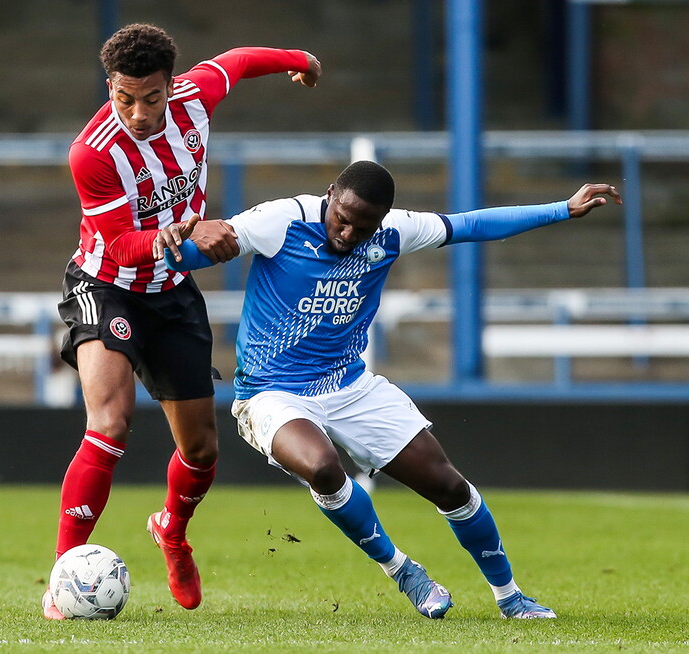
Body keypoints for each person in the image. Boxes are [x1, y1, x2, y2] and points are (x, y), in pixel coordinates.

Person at [159, 160, 621, 619]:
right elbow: (198, 251)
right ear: (330, 196)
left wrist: (562, 208)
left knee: (450, 486)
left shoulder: (394, 231)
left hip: (351, 385)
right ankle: (403, 571)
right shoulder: (281, 220)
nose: (348, 235)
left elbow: (471, 224)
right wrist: (174, 242)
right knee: (322, 467)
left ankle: (510, 596)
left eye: (363, 227)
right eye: (342, 220)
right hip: (271, 392)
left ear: (381, 220)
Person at [46, 23, 321, 619]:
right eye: (124, 98)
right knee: (111, 423)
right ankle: (62, 582)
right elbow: (118, 246)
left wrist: (299, 57)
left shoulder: (197, 97)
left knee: (200, 451)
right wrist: (185, 231)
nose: (138, 113)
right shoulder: (92, 152)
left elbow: (242, 58)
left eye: (151, 97)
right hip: (106, 286)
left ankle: (171, 530)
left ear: (172, 85)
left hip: (172, 294)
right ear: (110, 87)